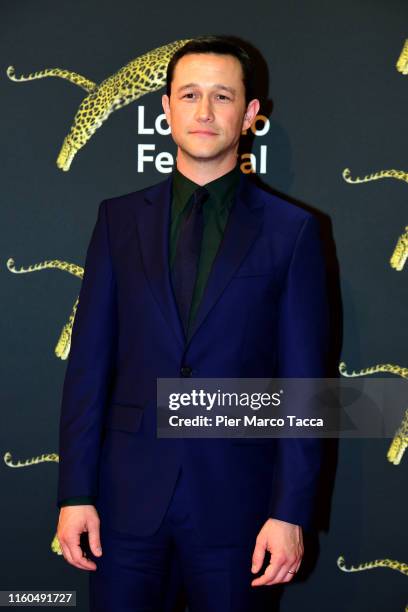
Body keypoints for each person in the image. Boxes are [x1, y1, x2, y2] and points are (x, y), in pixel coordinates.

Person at [56, 35, 329, 612]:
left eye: (223, 96)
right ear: (166, 109)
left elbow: (306, 385)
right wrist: (76, 491)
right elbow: (88, 366)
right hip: (124, 509)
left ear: (251, 114)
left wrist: (290, 511)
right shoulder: (117, 219)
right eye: (190, 95)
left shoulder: (294, 232)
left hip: (242, 512)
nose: (204, 113)